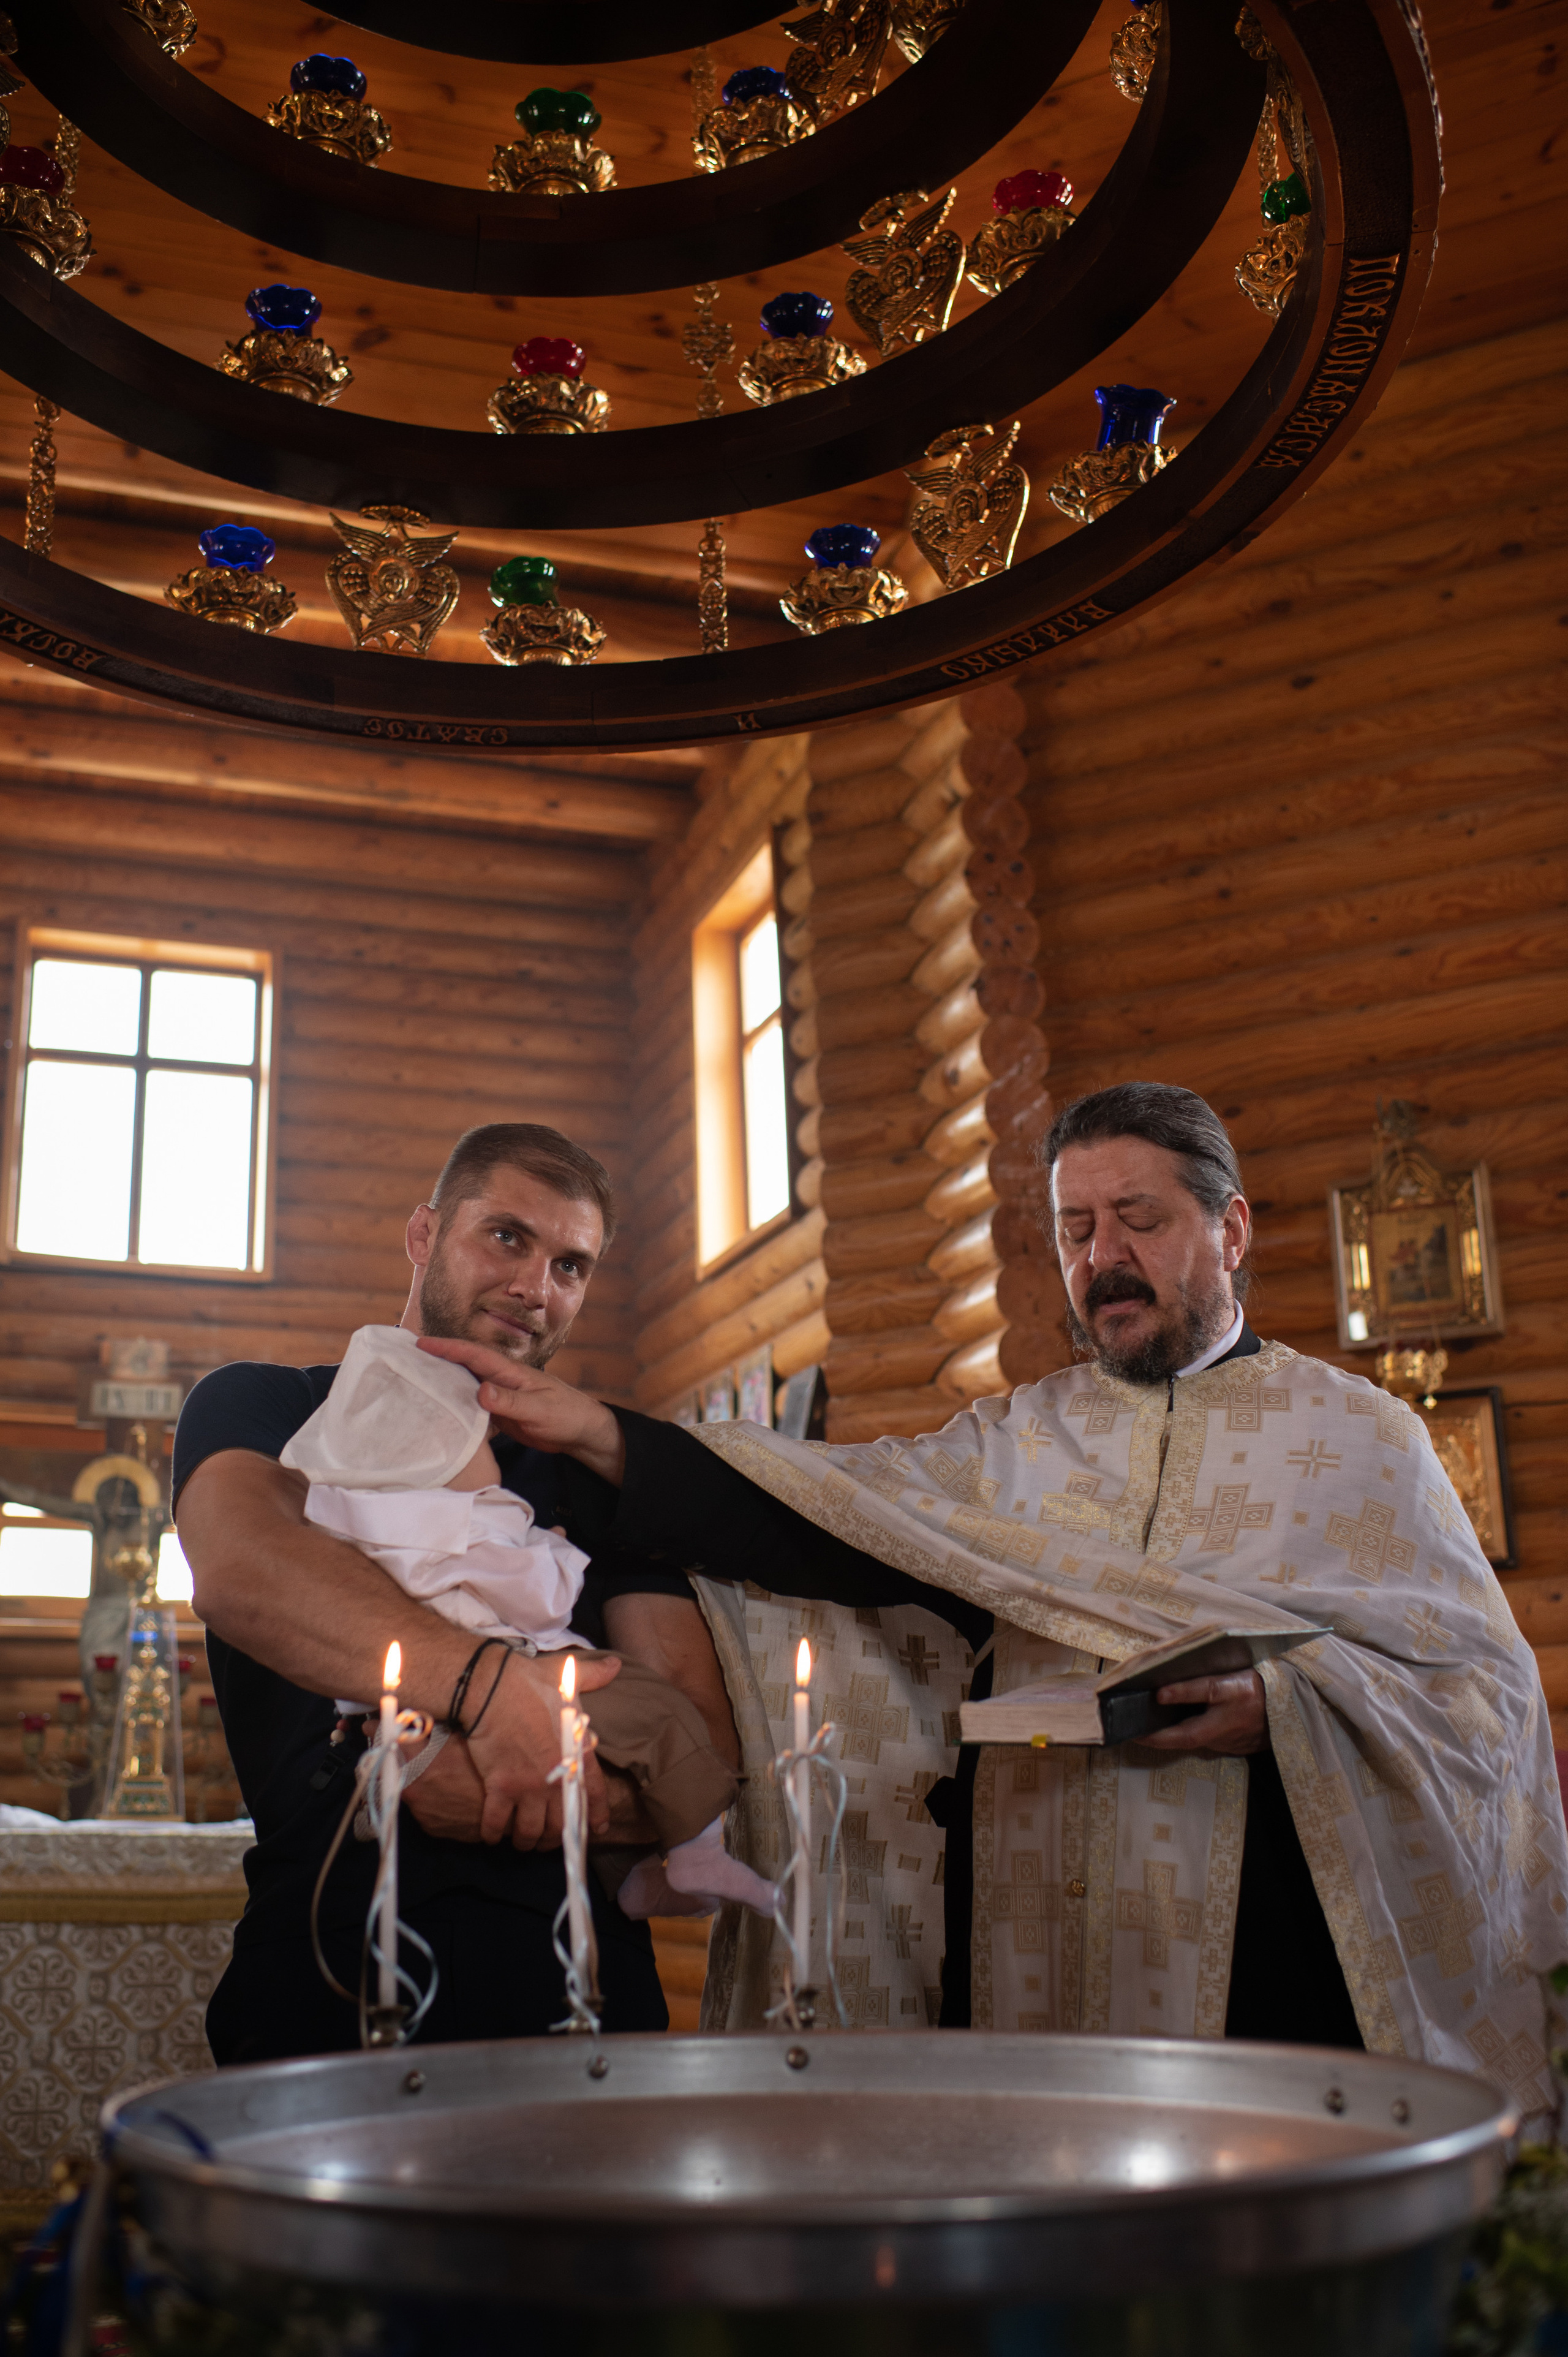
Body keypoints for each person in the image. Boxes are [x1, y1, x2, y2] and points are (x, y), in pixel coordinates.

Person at [417, 1084, 1568, 2114]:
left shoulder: (1362, 1436)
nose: (1103, 1255)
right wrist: (605, 1438)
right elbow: (835, 1514)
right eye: (1076, 1229)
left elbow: (1484, 1702)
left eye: (1140, 1220)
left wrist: (1292, 1707)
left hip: (1274, 1947)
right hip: (1035, 1933)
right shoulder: (1027, 1437)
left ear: (1231, 1228)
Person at [175, 1122, 748, 2062]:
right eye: (507, 1236)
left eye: (572, 1263)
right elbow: (241, 1567)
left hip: (586, 1996)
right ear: (422, 1234)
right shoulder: (268, 1406)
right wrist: (492, 1693)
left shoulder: (598, 1478)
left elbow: (693, 1736)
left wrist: (471, 1779)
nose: (536, 1285)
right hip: (331, 1975)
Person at [285, 1320, 774, 1921]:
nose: (491, 1453)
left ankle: (639, 1873)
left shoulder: (372, 1523)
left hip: (404, 1708)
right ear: (441, 1457)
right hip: (519, 1672)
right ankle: (698, 1850)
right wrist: (556, 1553)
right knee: (655, 1711)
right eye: (480, 1444)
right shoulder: (467, 1519)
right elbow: (542, 1604)